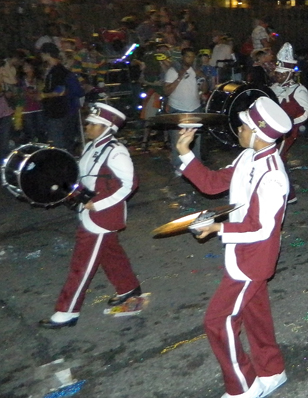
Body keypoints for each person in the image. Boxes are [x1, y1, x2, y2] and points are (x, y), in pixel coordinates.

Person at [175, 97, 292, 398]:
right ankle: (272, 370)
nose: (238, 129)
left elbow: (261, 228)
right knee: (256, 316)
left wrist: (217, 228)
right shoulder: (246, 158)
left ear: (257, 131)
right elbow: (214, 184)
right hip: (244, 254)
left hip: (253, 259)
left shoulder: (273, 176)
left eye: (243, 125)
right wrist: (185, 153)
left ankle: (244, 387)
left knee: (218, 320)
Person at [39, 103, 141, 329]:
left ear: (107, 127)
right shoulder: (92, 146)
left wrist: (99, 204)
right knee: (110, 253)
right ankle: (129, 289)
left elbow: (129, 184)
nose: (88, 127)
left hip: (101, 218)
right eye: (89, 123)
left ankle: (67, 312)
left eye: (93, 124)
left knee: (81, 265)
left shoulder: (116, 151)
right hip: (91, 213)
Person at [270, 43, 308, 205]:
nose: (277, 77)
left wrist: (289, 122)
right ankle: (282, 192)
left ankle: (288, 194)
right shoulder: (274, 87)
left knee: (278, 158)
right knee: (274, 159)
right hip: (272, 130)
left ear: (289, 74)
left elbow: (306, 112)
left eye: (281, 75)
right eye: (277, 74)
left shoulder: (299, 90)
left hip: (287, 131)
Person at [163, 47, 202, 174]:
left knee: (195, 139)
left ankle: (196, 166)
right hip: (177, 109)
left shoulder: (195, 71)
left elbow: (204, 89)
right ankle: (178, 165)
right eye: (188, 56)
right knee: (178, 139)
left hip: (194, 108)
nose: (190, 59)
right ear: (182, 57)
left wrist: (203, 78)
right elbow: (166, 91)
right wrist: (179, 77)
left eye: (192, 57)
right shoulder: (172, 71)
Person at [39, 42, 71, 150]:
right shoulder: (52, 69)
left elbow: (60, 91)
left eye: (42, 54)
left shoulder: (58, 70)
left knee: (58, 139)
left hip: (57, 110)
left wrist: (43, 95)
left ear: (47, 54)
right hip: (54, 109)